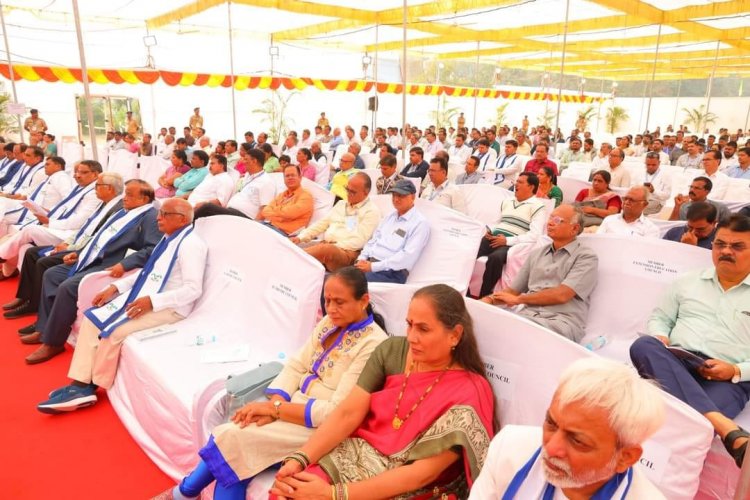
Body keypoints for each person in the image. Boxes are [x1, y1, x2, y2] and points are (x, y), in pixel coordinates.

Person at [151, 267, 388, 499]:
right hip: (292, 409)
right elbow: (296, 365)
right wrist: (275, 406)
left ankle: (184, 493)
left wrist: (275, 410)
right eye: (327, 301)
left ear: (364, 300)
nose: (332, 309)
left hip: (322, 429)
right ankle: (184, 493)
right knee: (236, 437)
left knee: (232, 438)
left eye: (340, 302)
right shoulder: (329, 323)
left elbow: (336, 413)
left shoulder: (373, 344)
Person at [271, 284, 495, 500]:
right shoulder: (393, 350)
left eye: (423, 329)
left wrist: (332, 495)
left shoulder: (470, 391)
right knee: (287, 490)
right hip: (356, 456)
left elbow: (422, 474)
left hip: (411, 486)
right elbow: (348, 413)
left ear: (455, 335)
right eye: (409, 325)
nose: (411, 337)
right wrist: (299, 459)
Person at [36, 199, 206, 412]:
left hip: (170, 308)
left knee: (114, 331)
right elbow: (147, 273)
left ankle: (92, 386)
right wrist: (115, 288)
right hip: (147, 298)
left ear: (181, 219)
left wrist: (152, 301)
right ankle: (79, 384)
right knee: (92, 318)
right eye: (160, 213)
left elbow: (193, 290)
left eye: (164, 214)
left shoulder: (192, 245)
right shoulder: (168, 239)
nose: (158, 218)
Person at [630, 214, 750, 468]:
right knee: (643, 345)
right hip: (676, 361)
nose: (725, 251)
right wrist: (661, 335)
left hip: (728, 378)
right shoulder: (687, 281)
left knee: (695, 423)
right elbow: (660, 318)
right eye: (719, 244)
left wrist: (736, 369)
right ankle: (725, 426)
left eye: (737, 246)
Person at [470, 358, 666, 499]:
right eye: (551, 423)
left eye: (578, 441)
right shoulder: (509, 447)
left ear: (626, 457)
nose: (551, 448)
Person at [22, 179, 161, 365]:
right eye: (125, 193)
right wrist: (78, 254)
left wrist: (125, 264)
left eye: (129, 195)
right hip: (93, 258)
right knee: (52, 274)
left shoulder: (150, 217)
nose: (124, 198)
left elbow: (152, 248)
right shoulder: (122, 212)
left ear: (144, 198)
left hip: (112, 266)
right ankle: (44, 328)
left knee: (68, 287)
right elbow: (99, 240)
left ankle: (53, 342)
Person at [3, 172, 124, 321]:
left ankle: (34, 304)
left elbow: (95, 235)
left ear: (109, 188)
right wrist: (68, 243)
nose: (95, 189)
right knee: (31, 252)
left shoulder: (117, 208)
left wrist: (70, 246)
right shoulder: (104, 203)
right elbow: (86, 228)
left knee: (42, 260)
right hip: (74, 240)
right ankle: (24, 297)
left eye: (98, 186)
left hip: (83, 249)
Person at [481, 205, 598, 342]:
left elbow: (562, 295)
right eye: (550, 217)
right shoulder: (536, 254)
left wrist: (520, 299)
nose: (550, 222)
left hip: (561, 321)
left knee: (509, 333)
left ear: (574, 229)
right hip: (527, 317)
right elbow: (512, 292)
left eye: (558, 220)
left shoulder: (586, 257)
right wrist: (487, 301)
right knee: (482, 325)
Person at [0, 159, 101, 278]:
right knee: (25, 248)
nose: (77, 175)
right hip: (58, 226)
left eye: (83, 172)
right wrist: (47, 212)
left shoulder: (95, 193)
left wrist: (50, 222)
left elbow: (80, 221)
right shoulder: (81, 188)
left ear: (95, 174)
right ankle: (28, 289)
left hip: (68, 234)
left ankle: (1, 256)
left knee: (30, 230)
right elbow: (65, 208)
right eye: (77, 172)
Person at [476, 173, 546, 298]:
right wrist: (489, 230)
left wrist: (507, 241)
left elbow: (535, 235)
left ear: (531, 187)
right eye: (516, 181)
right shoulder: (507, 201)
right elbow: (497, 222)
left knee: (495, 259)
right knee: (471, 249)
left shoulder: (538, 206)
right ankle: (465, 288)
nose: (516, 184)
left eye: (520, 182)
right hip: (494, 238)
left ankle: (484, 295)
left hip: (512, 244)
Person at [292, 173, 380, 272]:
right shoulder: (341, 204)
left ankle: (290, 258)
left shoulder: (371, 211)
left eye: (353, 192)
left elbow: (359, 241)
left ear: (366, 192)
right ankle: (291, 257)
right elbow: (322, 224)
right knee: (293, 243)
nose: (348, 193)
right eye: (347, 189)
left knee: (325, 250)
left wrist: (332, 246)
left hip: (348, 253)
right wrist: (300, 237)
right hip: (327, 246)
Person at [355, 179, 430, 284]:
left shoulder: (419, 223)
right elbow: (373, 240)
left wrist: (373, 267)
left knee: (350, 285)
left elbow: (407, 257)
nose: (396, 199)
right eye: (394, 195)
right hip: (370, 264)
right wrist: (361, 259)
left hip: (392, 272)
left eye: (401, 196)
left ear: (413, 197)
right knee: (337, 278)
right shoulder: (390, 216)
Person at [260, 165, 314, 236]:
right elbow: (265, 211)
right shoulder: (282, 195)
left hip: (285, 233)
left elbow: (290, 214)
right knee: (249, 227)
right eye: (287, 176)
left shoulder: (306, 196)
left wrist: (275, 211)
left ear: (300, 177)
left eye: (293, 175)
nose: (290, 178)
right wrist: (281, 215)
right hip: (270, 226)